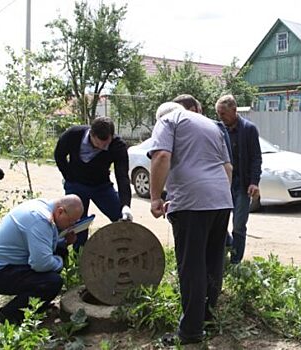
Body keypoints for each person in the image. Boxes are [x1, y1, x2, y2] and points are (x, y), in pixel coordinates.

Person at [149, 94, 233, 345]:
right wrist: (216, 195)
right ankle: (207, 317)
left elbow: (162, 156)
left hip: (192, 203)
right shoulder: (210, 124)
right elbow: (228, 168)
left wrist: (155, 198)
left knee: (191, 265)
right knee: (212, 260)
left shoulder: (167, 121)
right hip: (221, 199)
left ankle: (190, 332)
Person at [0, 195, 84, 325]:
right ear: (60, 211)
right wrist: (59, 261)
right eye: (71, 221)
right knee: (52, 282)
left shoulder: (43, 206)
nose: (71, 225)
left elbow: (44, 246)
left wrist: (64, 243)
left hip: (7, 265)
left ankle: (35, 307)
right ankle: (10, 314)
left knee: (53, 267)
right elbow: (41, 264)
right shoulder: (40, 219)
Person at [54, 116, 133, 250]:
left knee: (121, 218)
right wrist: (69, 176)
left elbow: (122, 176)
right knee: (78, 225)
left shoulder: (117, 145)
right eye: (99, 144)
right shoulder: (73, 135)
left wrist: (126, 205)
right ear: (91, 134)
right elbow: (59, 155)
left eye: (106, 144)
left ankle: (125, 252)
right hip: (76, 185)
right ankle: (79, 257)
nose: (103, 148)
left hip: (101, 187)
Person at [215, 95, 262, 263]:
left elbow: (256, 158)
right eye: (218, 114)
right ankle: (224, 250)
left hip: (242, 185)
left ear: (234, 110)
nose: (220, 117)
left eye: (223, 114)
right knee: (217, 223)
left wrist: (254, 182)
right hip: (221, 185)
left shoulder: (249, 129)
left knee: (239, 225)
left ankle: (235, 262)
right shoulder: (218, 129)